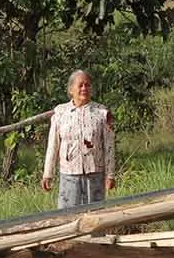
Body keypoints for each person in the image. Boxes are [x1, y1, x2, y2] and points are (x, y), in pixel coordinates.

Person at [41, 69, 117, 209]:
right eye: (80, 85)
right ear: (71, 90)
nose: (84, 88)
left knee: (96, 217)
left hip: (94, 175)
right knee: (68, 217)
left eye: (87, 85)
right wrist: (48, 173)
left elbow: (109, 146)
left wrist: (110, 175)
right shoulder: (60, 113)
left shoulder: (102, 113)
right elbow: (53, 145)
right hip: (69, 176)